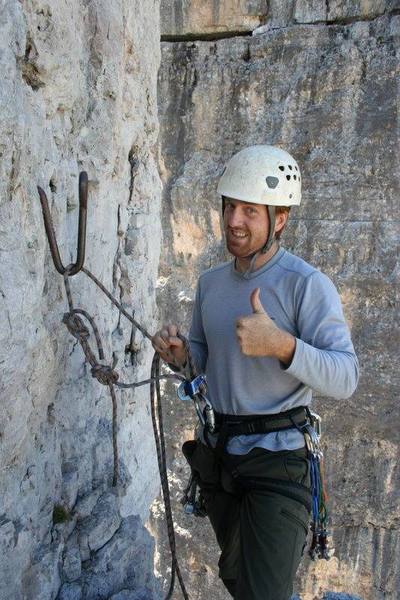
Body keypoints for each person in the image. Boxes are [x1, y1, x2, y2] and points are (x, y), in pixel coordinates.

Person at [152, 145, 359, 600]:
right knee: (239, 582)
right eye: (229, 207)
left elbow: (346, 376)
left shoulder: (305, 285)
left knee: (262, 593)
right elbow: (205, 360)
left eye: (249, 210)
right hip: (222, 455)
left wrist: (282, 345)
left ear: (279, 219)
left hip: (278, 461)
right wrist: (181, 354)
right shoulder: (211, 284)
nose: (233, 221)